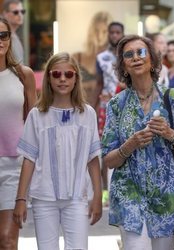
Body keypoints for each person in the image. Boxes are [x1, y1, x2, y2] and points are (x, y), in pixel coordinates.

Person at [101, 34, 174, 250]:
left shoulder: (172, 97)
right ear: (123, 67)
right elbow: (108, 159)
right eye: (129, 55)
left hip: (167, 197)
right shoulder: (116, 105)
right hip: (129, 196)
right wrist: (130, 145)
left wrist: (169, 133)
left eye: (141, 52)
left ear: (153, 61)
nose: (136, 57)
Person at [13, 52, 102, 250]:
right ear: (48, 78)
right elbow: (29, 159)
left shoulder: (87, 114)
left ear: (76, 78)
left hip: (77, 198)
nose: (62, 79)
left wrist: (97, 196)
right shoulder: (37, 115)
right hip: (44, 198)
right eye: (56, 74)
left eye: (68, 74)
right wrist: (20, 199)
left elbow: (92, 158)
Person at [0, 17, 36, 249]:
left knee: (7, 239)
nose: (0, 41)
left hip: (14, 165)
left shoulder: (24, 74)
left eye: (3, 35)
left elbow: (34, 123)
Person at [95, 21, 124, 205]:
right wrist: (91, 106)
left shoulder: (129, 55)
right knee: (104, 150)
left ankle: (122, 189)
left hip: (125, 104)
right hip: (106, 107)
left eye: (117, 32)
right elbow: (98, 83)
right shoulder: (101, 57)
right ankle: (105, 192)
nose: (114, 35)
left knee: (125, 146)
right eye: (111, 32)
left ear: (122, 33)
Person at [72, 11, 112, 108]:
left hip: (105, 113)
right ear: (91, 31)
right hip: (79, 110)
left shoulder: (115, 60)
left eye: (104, 31)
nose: (100, 36)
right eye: (96, 31)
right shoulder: (76, 58)